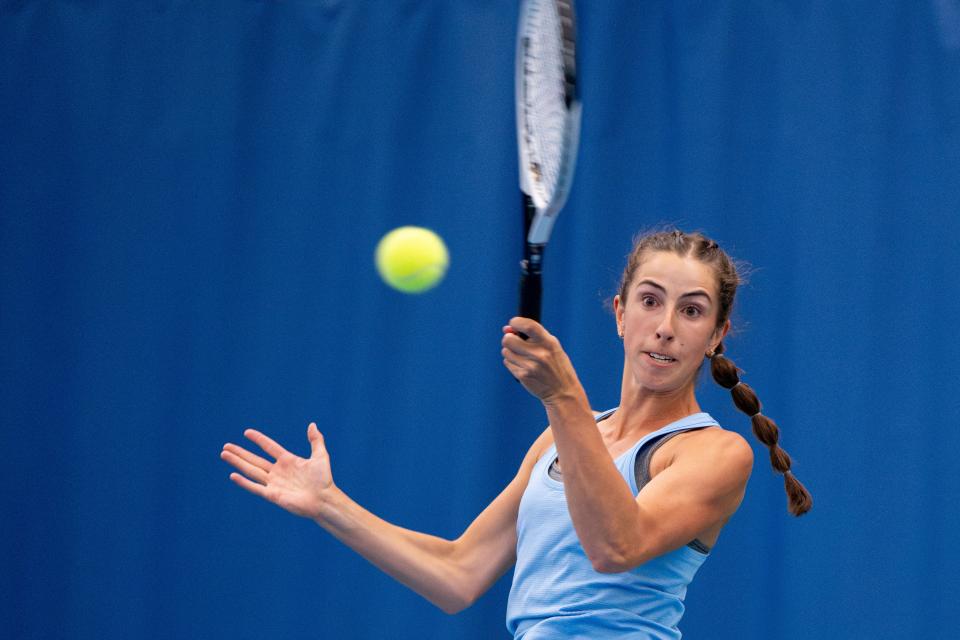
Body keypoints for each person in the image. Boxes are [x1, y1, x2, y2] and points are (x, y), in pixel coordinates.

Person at [220, 229, 812, 639]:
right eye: (650, 301)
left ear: (715, 335)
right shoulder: (562, 439)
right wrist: (329, 505)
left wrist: (563, 397)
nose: (664, 328)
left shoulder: (715, 453)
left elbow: (617, 548)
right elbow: (459, 573)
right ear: (619, 314)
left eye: (691, 310)